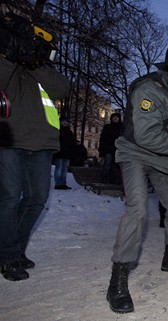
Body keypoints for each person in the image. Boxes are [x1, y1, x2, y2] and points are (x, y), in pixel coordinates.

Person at [106, 36, 168, 313]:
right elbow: (147, 136)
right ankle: (118, 278)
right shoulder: (148, 90)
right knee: (138, 211)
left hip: (164, 160)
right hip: (136, 154)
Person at [0, 7, 71, 280]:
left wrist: (34, 61)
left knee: (37, 199)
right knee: (8, 199)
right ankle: (6, 256)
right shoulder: (6, 58)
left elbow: (61, 88)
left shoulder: (41, 65)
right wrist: (11, 55)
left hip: (41, 141)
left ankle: (14, 249)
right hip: (9, 137)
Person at [98, 112, 122, 183]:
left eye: (117, 117)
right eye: (114, 117)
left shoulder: (121, 128)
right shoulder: (107, 127)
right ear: (111, 118)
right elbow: (102, 139)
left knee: (115, 166)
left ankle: (114, 180)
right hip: (108, 149)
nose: (115, 118)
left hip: (118, 150)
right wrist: (102, 151)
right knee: (107, 164)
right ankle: (104, 179)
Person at [53, 116, 75, 190]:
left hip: (67, 153)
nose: (65, 123)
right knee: (59, 168)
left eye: (66, 121)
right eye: (63, 121)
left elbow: (72, 143)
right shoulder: (57, 131)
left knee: (64, 169)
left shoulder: (70, 132)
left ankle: (63, 183)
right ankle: (58, 184)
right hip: (59, 153)